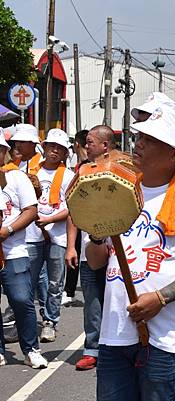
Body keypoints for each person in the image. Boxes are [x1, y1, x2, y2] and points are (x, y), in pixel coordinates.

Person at [86, 106, 175, 401]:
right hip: (114, 335)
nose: (140, 144)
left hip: (165, 341)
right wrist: (97, 232)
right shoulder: (117, 190)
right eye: (140, 137)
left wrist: (160, 299)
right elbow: (96, 261)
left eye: (151, 139)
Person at [65, 126, 116, 371]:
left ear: (105, 146)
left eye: (91, 142)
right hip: (89, 249)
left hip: (120, 253)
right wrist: (70, 247)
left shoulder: (122, 169)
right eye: (86, 142)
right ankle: (92, 348)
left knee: (118, 301)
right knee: (93, 303)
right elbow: (74, 211)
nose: (87, 146)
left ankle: (118, 347)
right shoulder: (82, 171)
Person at [0, 129, 49, 369]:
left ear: (5, 153)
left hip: (13, 252)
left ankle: (31, 349)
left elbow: (31, 210)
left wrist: (7, 230)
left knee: (21, 300)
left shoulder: (17, 178)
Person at [26, 129, 75, 343]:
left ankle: (50, 321)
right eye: (51, 146)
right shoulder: (32, 171)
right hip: (32, 234)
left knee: (56, 283)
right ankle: (29, 318)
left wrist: (49, 220)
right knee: (30, 280)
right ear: (44, 148)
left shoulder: (69, 176)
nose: (55, 151)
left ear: (65, 153)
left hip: (58, 237)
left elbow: (72, 207)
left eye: (60, 148)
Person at [62, 129, 89, 307]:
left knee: (82, 254)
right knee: (75, 252)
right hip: (77, 216)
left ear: (76, 144)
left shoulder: (87, 166)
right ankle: (69, 290)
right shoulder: (79, 165)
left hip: (87, 218)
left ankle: (70, 290)